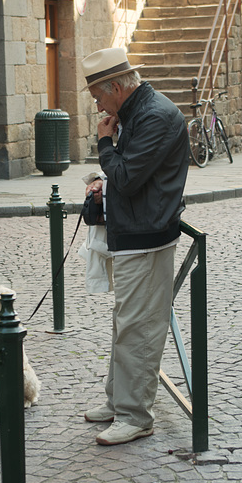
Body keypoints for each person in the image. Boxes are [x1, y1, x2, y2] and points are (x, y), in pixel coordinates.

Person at [81, 48, 189, 446]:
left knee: (139, 328)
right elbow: (126, 174)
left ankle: (135, 415)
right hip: (134, 232)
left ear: (117, 87)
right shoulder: (135, 112)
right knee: (125, 323)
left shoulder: (154, 116)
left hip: (147, 237)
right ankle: (119, 402)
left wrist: (104, 144)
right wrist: (100, 177)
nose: (98, 105)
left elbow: (126, 177)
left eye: (98, 96)